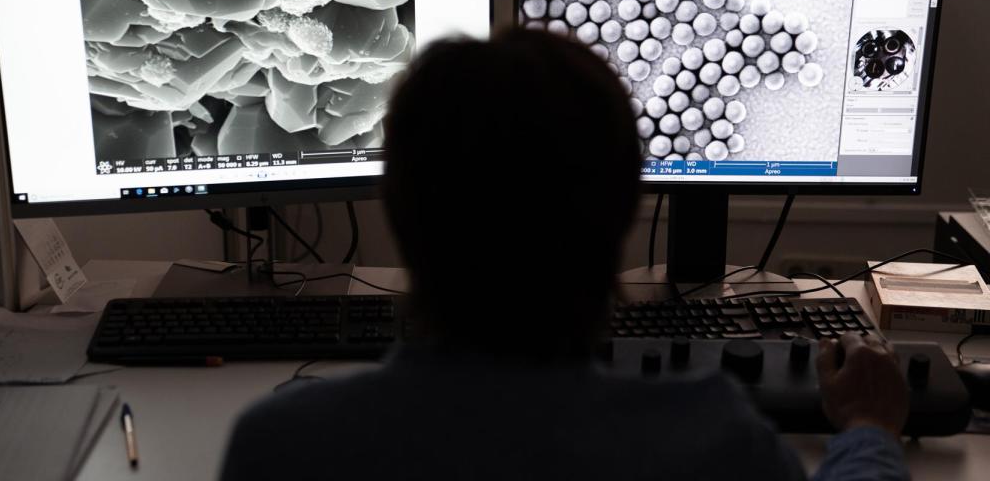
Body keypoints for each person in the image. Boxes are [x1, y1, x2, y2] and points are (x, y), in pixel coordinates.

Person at [220, 29, 909, 481]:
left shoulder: (281, 448)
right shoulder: (716, 444)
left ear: (400, 215)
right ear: (623, 215)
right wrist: (869, 430)